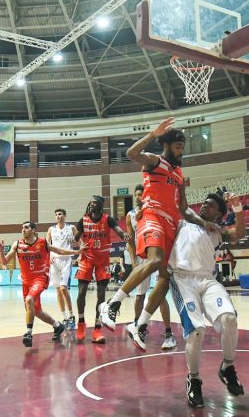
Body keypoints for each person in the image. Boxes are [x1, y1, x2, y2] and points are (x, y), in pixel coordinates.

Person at [100, 117, 216, 338]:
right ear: (167, 146)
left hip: (171, 224)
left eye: (183, 147)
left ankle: (139, 325)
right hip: (152, 216)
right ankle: (112, 304)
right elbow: (131, 154)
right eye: (178, 147)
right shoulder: (155, 161)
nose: (181, 151)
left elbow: (184, 208)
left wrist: (203, 222)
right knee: (153, 261)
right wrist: (153, 134)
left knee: (165, 276)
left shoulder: (180, 174)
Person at [168, 192, 246, 408]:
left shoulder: (218, 232)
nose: (204, 206)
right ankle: (193, 379)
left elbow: (239, 232)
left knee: (229, 318)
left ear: (220, 214)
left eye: (210, 206)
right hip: (182, 279)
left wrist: (237, 208)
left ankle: (227, 367)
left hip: (207, 279)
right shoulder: (184, 222)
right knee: (196, 330)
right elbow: (182, 206)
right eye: (204, 203)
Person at [5, 221, 80, 347]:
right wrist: (1, 252)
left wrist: (77, 252)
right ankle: (57, 326)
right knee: (36, 311)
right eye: (22, 228)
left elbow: (59, 251)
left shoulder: (43, 242)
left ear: (33, 230)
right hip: (26, 281)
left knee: (29, 300)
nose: (23, 230)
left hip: (40, 278)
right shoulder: (17, 244)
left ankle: (28, 333)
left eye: (26, 227)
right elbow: (4, 260)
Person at [126, 184, 176, 350]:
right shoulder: (130, 215)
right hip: (142, 258)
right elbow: (130, 241)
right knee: (140, 295)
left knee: (160, 295)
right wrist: (134, 263)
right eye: (137, 194)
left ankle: (169, 333)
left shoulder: (154, 209)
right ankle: (138, 326)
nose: (139, 196)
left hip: (158, 255)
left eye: (141, 194)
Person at [74, 195, 130, 344]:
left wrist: (124, 234)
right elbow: (76, 237)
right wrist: (79, 240)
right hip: (87, 257)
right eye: (90, 203)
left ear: (100, 205)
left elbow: (118, 230)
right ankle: (80, 322)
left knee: (100, 296)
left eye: (94, 203)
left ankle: (97, 329)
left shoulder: (108, 219)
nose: (91, 205)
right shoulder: (84, 219)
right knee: (81, 292)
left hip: (102, 259)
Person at [46, 208, 76, 331]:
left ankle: (72, 315)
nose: (58, 216)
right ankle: (64, 317)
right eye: (57, 215)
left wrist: (76, 245)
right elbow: (46, 245)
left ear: (65, 216)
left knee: (64, 288)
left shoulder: (71, 228)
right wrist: (47, 258)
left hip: (66, 260)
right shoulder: (51, 229)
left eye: (60, 214)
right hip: (54, 261)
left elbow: (79, 241)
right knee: (58, 290)